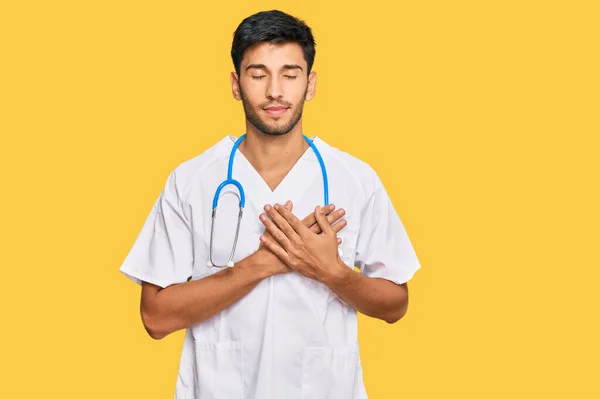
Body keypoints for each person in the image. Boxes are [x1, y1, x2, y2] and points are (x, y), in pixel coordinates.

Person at [119, 9, 421, 399]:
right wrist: (266, 262)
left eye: (290, 75)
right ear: (235, 83)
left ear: (310, 84)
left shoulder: (356, 179)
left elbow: (396, 304)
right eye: (258, 74)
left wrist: (333, 272)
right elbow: (155, 317)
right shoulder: (191, 180)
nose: (275, 91)